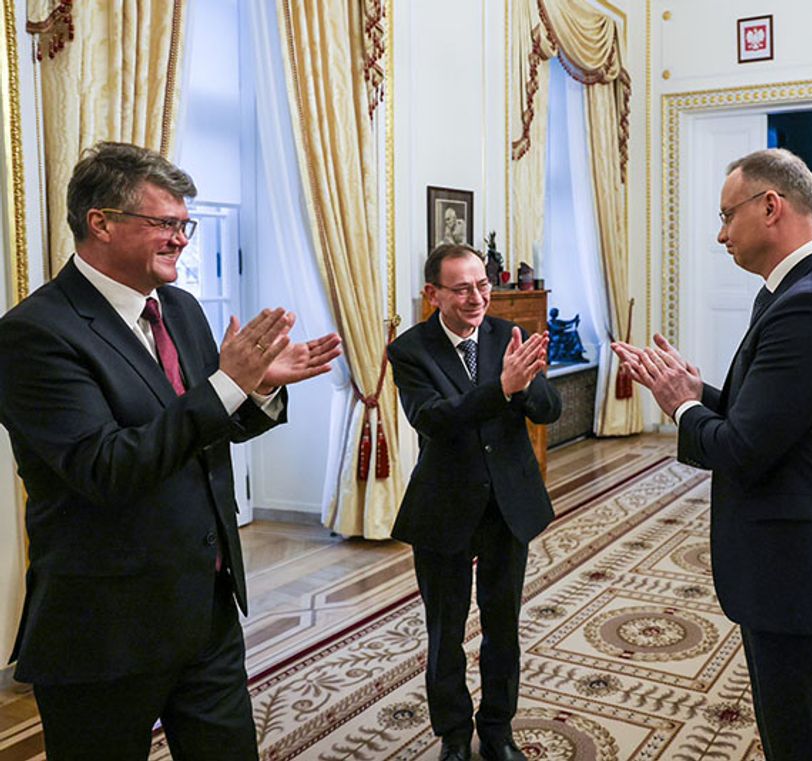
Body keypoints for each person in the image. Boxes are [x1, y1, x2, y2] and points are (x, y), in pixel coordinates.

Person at [0, 142, 342, 758]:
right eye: (165, 223)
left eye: (185, 225)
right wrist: (227, 385)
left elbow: (209, 428)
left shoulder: (180, 309)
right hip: (106, 628)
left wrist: (256, 387)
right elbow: (107, 468)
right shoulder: (34, 334)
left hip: (205, 609)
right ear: (101, 222)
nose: (182, 239)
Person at [612, 148, 812, 761]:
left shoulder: (809, 305)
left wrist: (683, 408)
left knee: (802, 743)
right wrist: (689, 389)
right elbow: (765, 414)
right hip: (793, 564)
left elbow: (741, 449)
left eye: (728, 215)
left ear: (770, 207)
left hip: (800, 575)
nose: (721, 232)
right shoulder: (800, 292)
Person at [388, 244, 561, 761]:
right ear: (433, 293)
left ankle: (498, 730)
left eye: (482, 285)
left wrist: (525, 386)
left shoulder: (511, 335)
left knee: (502, 626)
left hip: (508, 504)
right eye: (461, 288)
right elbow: (433, 420)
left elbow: (548, 411)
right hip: (444, 506)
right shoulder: (410, 350)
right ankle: (455, 736)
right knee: (445, 632)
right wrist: (502, 388)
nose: (476, 297)